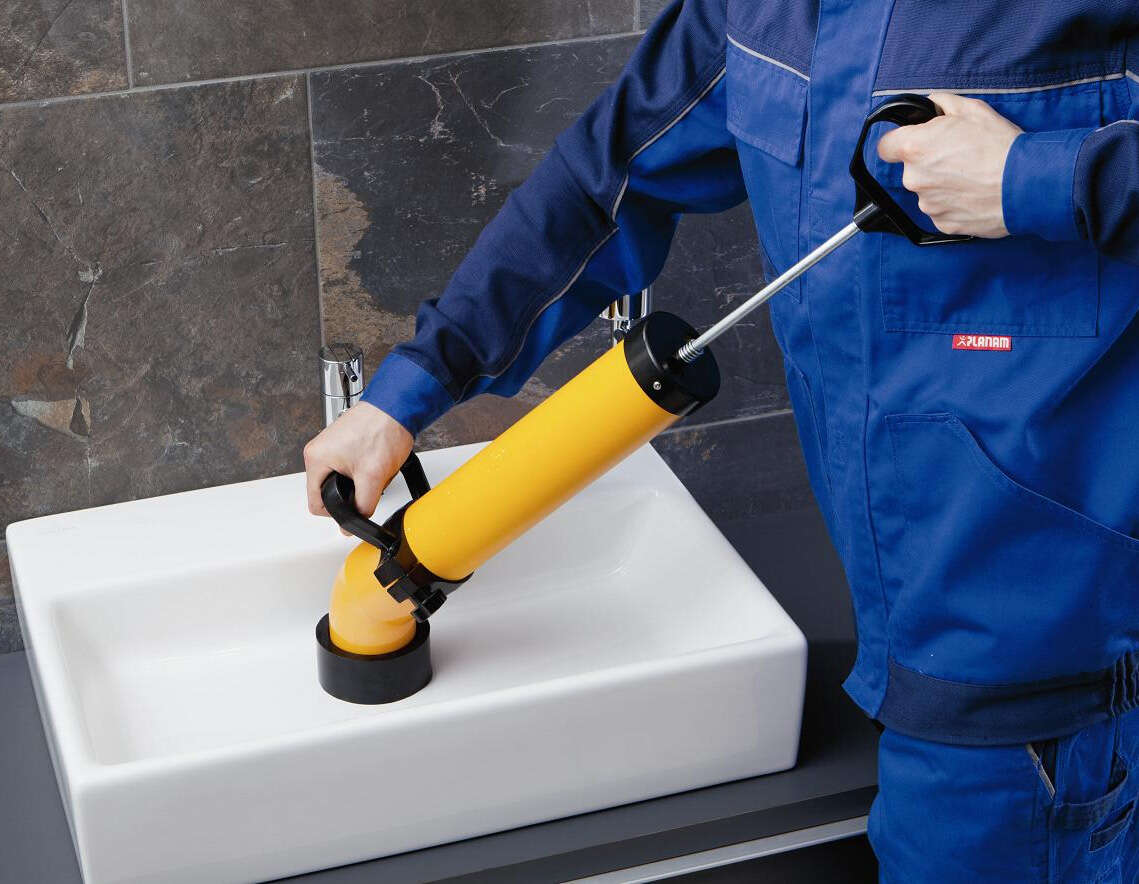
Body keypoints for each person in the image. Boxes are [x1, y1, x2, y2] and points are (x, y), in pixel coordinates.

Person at [303, 2, 1139, 879]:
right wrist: (405, 394)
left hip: (1045, 663)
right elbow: (605, 180)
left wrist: (1039, 177)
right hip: (907, 619)